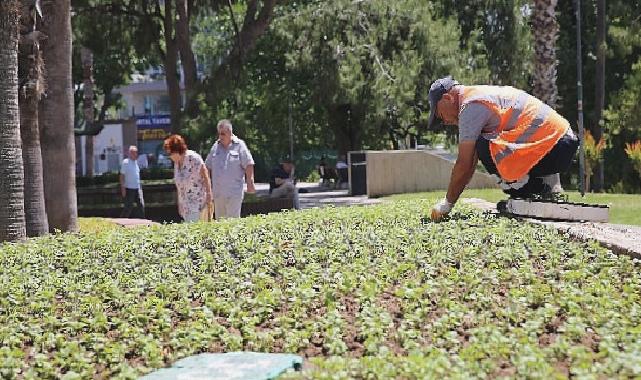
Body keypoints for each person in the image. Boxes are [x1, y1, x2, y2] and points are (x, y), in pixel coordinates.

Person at [428, 76, 579, 221]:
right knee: (483, 144)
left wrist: (447, 204)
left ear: (448, 98)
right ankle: (536, 191)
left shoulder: (470, 106)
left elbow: (465, 163)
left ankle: (526, 193)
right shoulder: (478, 95)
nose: (445, 122)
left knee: (484, 144)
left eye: (441, 116)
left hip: (556, 146)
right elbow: (470, 162)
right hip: (562, 142)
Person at [205, 119, 256, 219]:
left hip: (234, 193)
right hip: (218, 194)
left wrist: (250, 182)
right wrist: (207, 188)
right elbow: (207, 167)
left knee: (233, 222)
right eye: (219, 134)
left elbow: (249, 164)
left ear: (230, 132)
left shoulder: (239, 145)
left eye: (223, 134)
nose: (220, 136)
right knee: (221, 222)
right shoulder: (215, 147)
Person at [164, 134, 213, 222]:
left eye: (170, 153)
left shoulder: (193, 158)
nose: (169, 156)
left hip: (198, 202)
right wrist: (179, 203)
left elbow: (205, 174)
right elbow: (179, 185)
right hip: (185, 205)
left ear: (177, 150)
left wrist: (209, 194)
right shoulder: (176, 163)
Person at [119, 145, 145, 218]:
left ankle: (143, 221)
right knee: (128, 207)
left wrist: (140, 187)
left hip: (137, 188)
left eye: (136, 152)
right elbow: (122, 176)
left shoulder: (136, 163)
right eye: (133, 152)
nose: (135, 154)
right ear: (129, 153)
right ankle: (122, 221)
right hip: (129, 188)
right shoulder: (125, 162)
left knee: (141, 205)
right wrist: (123, 189)